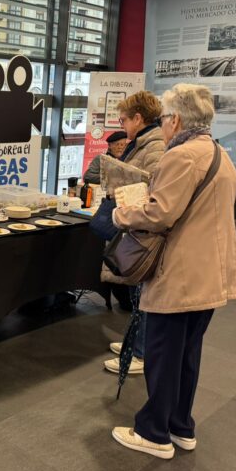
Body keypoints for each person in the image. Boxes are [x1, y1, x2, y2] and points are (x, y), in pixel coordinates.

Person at [111, 83, 236, 459]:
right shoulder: (220, 154)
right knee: (187, 353)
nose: (164, 123)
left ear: (178, 119)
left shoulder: (182, 156)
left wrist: (122, 214)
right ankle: (180, 425)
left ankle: (154, 431)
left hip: (183, 274)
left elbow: (159, 213)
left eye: (166, 117)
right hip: (211, 272)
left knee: (163, 353)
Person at [103, 91, 166, 375]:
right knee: (139, 293)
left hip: (143, 228)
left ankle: (139, 353)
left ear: (138, 118)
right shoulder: (145, 142)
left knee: (143, 294)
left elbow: (150, 188)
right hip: (137, 224)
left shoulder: (154, 146)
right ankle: (133, 343)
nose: (123, 126)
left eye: (125, 120)